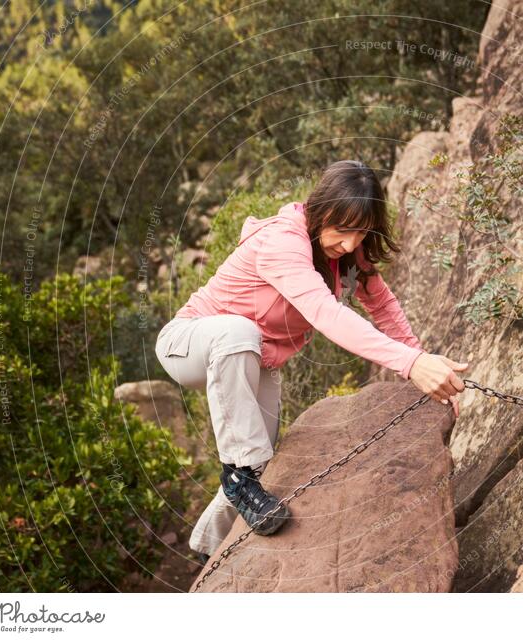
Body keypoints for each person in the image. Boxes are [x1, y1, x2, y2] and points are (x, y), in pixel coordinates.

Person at [155, 159, 468, 559]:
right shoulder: (283, 243)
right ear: (321, 211)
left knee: (261, 465)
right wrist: (409, 364)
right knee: (238, 343)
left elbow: (383, 306)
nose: (351, 244)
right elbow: (327, 314)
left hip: (253, 360)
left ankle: (207, 547)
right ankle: (236, 476)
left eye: (361, 233)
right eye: (343, 230)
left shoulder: (348, 255)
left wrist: (422, 362)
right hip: (189, 343)